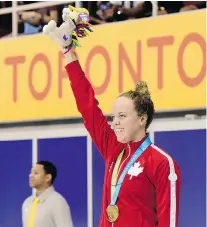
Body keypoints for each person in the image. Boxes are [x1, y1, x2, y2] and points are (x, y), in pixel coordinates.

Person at [43, 6, 181, 227]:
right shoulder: (113, 149)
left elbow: (169, 222)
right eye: (114, 116)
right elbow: (88, 107)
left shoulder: (162, 163)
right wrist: (68, 52)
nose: (115, 122)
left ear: (142, 119)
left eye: (122, 116)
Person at [22, 161, 74, 227]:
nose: (31, 176)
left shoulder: (57, 202)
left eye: (36, 173)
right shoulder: (27, 203)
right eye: (30, 173)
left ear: (48, 177)